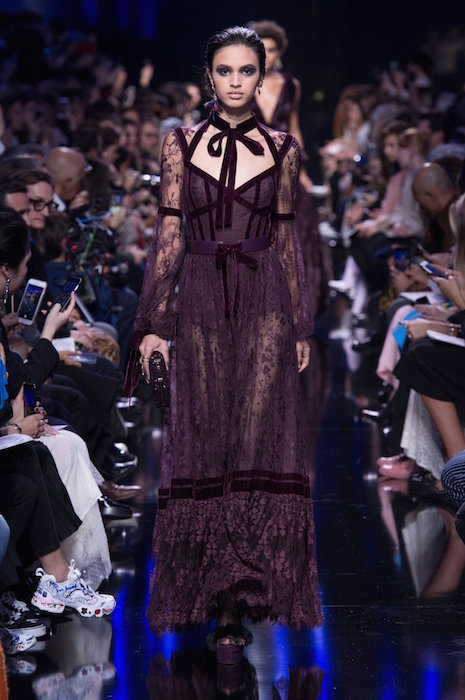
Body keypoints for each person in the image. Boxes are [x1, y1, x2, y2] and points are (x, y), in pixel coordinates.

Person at [126, 25, 323, 661]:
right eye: (225, 70)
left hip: (265, 299)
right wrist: (153, 321)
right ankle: (220, 599)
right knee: (207, 439)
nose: (236, 81)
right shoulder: (179, 144)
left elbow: (287, 240)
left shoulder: (283, 148)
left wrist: (300, 321)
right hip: (203, 299)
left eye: (247, 71)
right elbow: (170, 235)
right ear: (208, 76)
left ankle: (244, 587)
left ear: (261, 77)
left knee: (253, 436)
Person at [247, 19, 329, 319]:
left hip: (285, 168)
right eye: (261, 49)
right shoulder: (242, 84)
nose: (267, 55)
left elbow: (294, 128)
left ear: (280, 52)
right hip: (251, 170)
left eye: (271, 50)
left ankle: (295, 308)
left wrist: (303, 172)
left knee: (297, 232)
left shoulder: (291, 86)